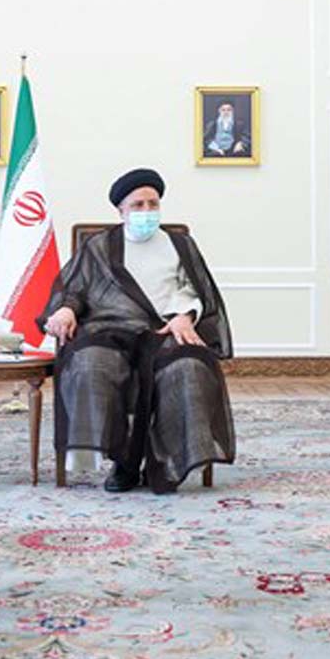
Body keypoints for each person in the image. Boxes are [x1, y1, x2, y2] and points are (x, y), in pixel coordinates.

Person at [38, 168, 235, 494]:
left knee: (189, 367)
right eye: (138, 205)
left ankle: (167, 461)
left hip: (164, 331)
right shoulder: (100, 246)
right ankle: (123, 461)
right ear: (121, 211)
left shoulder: (180, 245)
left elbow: (198, 290)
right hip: (110, 331)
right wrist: (66, 309)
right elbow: (74, 288)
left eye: (152, 204)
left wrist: (185, 315)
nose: (146, 211)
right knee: (89, 363)